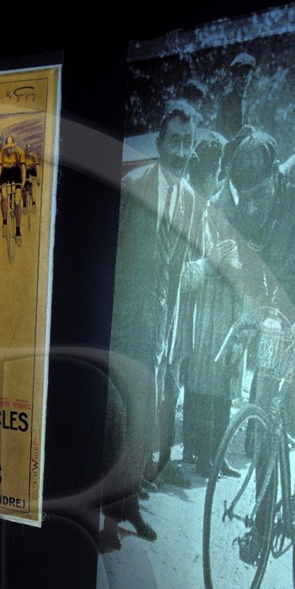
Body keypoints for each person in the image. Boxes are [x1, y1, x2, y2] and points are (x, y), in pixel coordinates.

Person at [197, 128, 295, 522]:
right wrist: (249, 322)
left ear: (276, 177)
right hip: (290, 275)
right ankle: (262, 518)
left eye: (259, 195)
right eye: (244, 198)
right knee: (266, 396)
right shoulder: (244, 209)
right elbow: (251, 281)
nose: (252, 208)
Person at [102, 106, 202, 548]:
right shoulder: (133, 187)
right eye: (174, 141)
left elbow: (177, 272)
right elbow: (111, 257)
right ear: (160, 144)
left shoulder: (189, 198)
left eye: (187, 142)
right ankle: (107, 520)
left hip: (158, 326)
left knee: (142, 419)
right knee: (117, 418)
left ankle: (128, 507)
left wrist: (172, 334)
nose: (181, 150)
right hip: (123, 322)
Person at [0, 134, 27, 241]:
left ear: (14, 146)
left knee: (17, 202)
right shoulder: (1, 154)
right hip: (5, 174)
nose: (9, 150)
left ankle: (18, 230)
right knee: (4, 196)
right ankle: (4, 221)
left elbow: (23, 170)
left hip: (16, 173)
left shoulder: (19, 152)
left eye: (11, 147)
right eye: (7, 148)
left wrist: (22, 184)